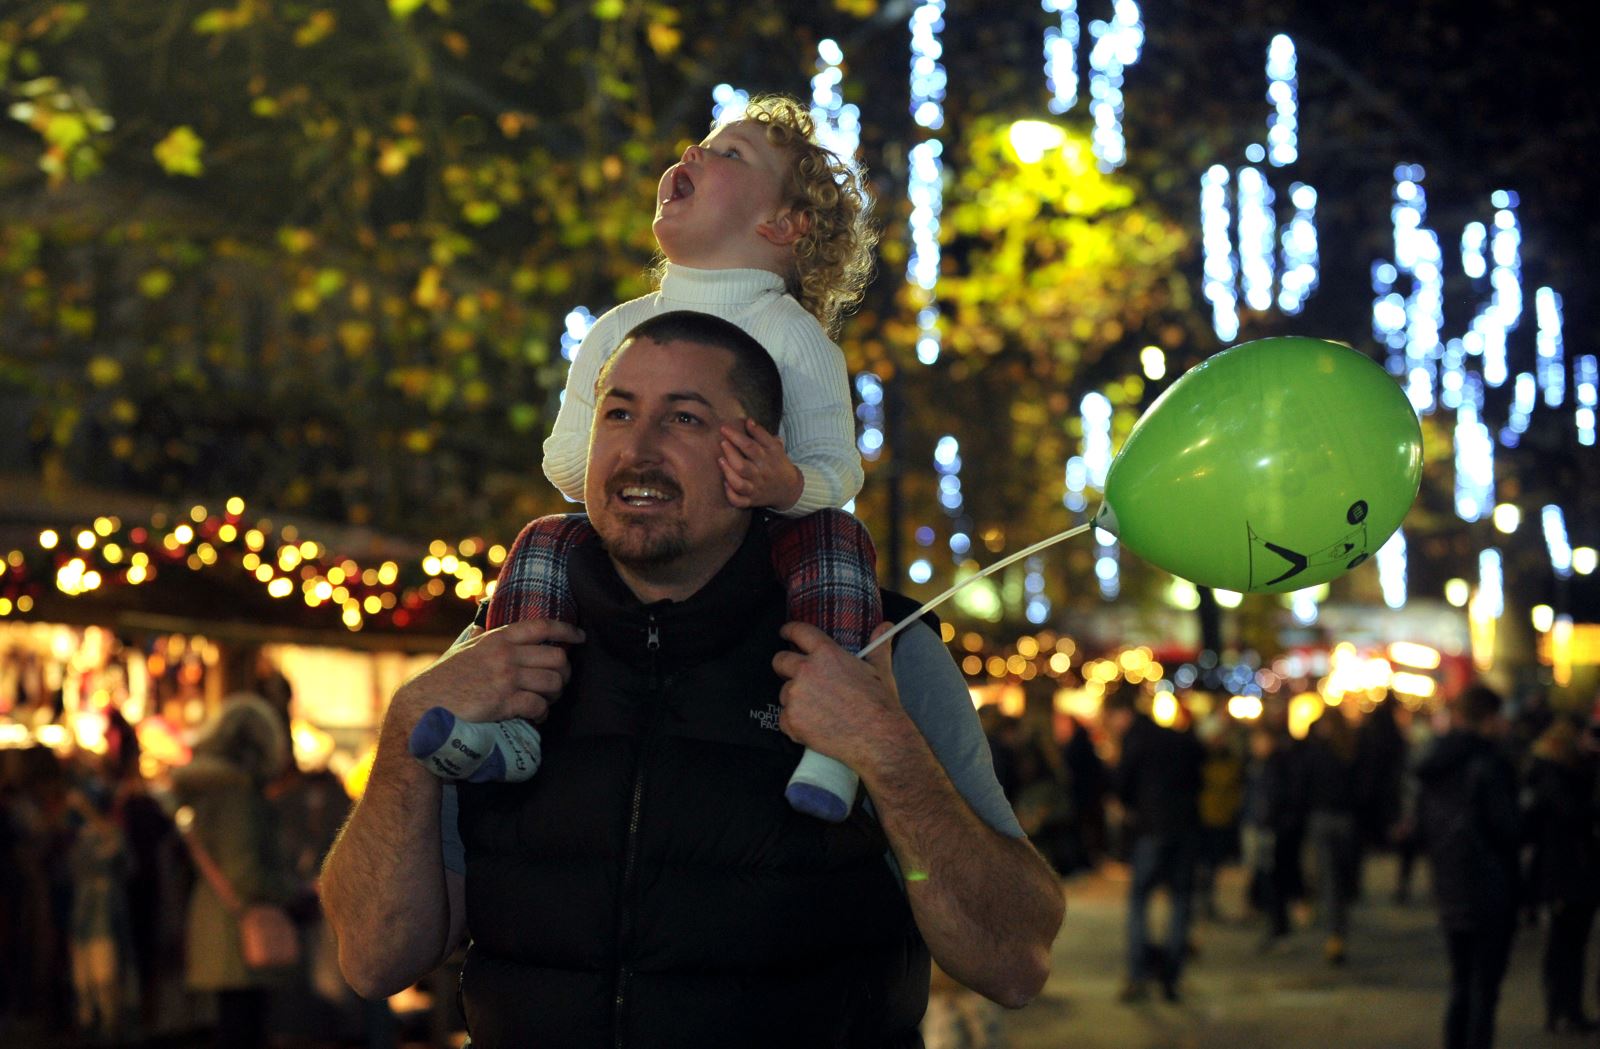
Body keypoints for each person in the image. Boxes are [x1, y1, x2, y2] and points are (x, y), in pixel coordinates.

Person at [320, 314, 1064, 1047]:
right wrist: (404, 730)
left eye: (683, 417)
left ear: (755, 455)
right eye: (618, 413)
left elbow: (1012, 962)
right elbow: (373, 957)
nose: (637, 450)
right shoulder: (500, 646)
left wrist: (888, 750)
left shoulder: (877, 648)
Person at [428, 95, 883, 821]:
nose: (695, 154)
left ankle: (833, 739)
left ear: (783, 225)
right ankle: (514, 721)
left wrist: (786, 483)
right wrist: (621, 471)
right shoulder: (618, 329)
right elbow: (567, 465)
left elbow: (841, 475)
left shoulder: (796, 338)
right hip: (632, 555)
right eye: (702, 143)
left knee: (839, 543)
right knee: (546, 539)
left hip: (763, 556)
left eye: (730, 154)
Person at [173, 695, 306, 1049]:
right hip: (237, 934)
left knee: (232, 1023)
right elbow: (244, 871)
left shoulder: (210, 789)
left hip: (218, 926)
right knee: (244, 1026)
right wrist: (291, 891)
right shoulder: (239, 794)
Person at [1416, 683, 1521, 1049]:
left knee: (1461, 981)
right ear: (1489, 719)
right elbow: (1506, 828)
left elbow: (1421, 824)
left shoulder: (1436, 762)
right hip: (1489, 884)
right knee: (1485, 988)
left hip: (1449, 881)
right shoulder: (1488, 763)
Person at [1104, 682, 1204, 1002]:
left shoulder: (1135, 741)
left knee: (1139, 901)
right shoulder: (1176, 738)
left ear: (1121, 714)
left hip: (1151, 830)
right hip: (1185, 828)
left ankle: (1138, 973)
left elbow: (1121, 785)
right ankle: (1171, 974)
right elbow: (1198, 773)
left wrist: (1127, 808)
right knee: (1180, 901)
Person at [1522, 715, 1598, 1033]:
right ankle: (1563, 1010)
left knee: (1569, 945)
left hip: (1569, 872)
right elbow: (1571, 815)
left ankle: (1566, 1010)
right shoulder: (1555, 775)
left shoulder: (1560, 772)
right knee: (1565, 946)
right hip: (1565, 874)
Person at [1302, 709, 1360, 964]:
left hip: (1323, 819)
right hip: (1347, 819)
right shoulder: (1352, 751)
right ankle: (1337, 930)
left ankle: (1334, 934)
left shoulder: (1319, 752)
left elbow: (1304, 785)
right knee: (1341, 878)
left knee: (1330, 879)